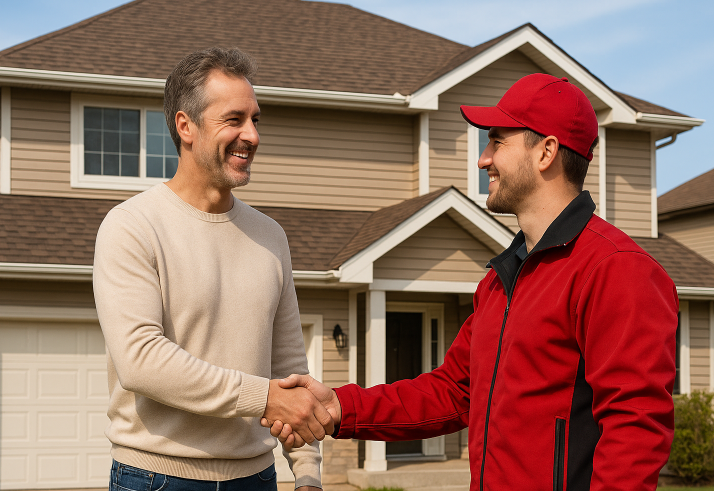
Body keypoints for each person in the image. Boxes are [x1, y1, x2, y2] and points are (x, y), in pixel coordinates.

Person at [265, 73, 679, 491]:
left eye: (497, 141)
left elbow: (635, 429)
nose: (483, 159)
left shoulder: (616, 270)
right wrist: (338, 407)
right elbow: (452, 391)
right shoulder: (501, 280)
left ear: (546, 152)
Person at [93, 47, 332, 491]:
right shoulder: (132, 226)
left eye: (256, 119)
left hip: (256, 478)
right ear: (186, 126)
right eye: (234, 119)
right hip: (155, 478)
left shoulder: (270, 236)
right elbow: (141, 361)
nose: (252, 135)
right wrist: (263, 397)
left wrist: (307, 472)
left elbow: (288, 366)